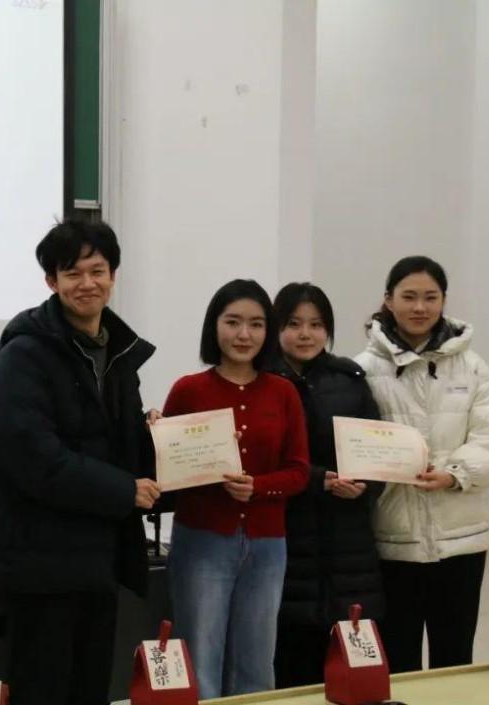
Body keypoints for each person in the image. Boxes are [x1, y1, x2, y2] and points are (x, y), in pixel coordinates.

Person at [0, 219, 159, 705]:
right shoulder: (23, 357)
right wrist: (123, 490)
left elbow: (114, 447)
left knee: (89, 690)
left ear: (113, 275)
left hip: (96, 558)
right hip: (39, 564)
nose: (87, 283)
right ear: (51, 281)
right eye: (72, 273)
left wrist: (154, 438)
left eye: (97, 271)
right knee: (44, 691)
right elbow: (35, 459)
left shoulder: (117, 353)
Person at [355, 255, 489, 673]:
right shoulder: (362, 370)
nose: (419, 307)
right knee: (398, 658)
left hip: (461, 538)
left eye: (430, 297)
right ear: (388, 300)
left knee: (455, 655)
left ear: (444, 300)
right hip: (392, 538)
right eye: (409, 296)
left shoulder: (473, 367)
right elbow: (351, 442)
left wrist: (455, 473)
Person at [162, 279, 308, 699]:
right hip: (202, 539)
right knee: (200, 656)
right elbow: (167, 470)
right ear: (214, 326)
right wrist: (162, 437)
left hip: (267, 544)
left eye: (256, 324)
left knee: (256, 661)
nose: (244, 334)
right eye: (233, 322)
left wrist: (258, 487)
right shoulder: (189, 389)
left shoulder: (283, 392)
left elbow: (299, 471)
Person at [267, 282, 384, 688]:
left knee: (346, 653)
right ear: (277, 327)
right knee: (290, 652)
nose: (306, 334)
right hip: (287, 528)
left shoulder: (349, 379)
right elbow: (262, 457)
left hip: (346, 537)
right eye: (294, 324)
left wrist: (366, 484)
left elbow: (377, 446)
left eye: (316, 325)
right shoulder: (262, 380)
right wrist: (318, 480)